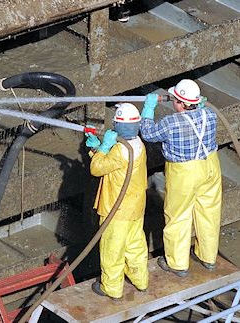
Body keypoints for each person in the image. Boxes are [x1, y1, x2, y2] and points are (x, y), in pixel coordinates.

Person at [140, 79, 222, 277]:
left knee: (178, 216)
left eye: (175, 99)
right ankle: (208, 257)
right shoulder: (210, 114)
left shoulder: (171, 122)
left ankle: (177, 264)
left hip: (185, 172)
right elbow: (201, 115)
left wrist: (148, 110)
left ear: (180, 103)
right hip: (211, 166)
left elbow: (148, 134)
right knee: (209, 212)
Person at [85, 103, 149, 300]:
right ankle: (141, 280)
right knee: (135, 244)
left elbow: (97, 169)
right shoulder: (138, 144)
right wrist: (98, 147)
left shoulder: (120, 150)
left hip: (117, 209)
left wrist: (102, 147)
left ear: (117, 125)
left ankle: (111, 288)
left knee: (112, 248)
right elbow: (114, 165)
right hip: (136, 207)